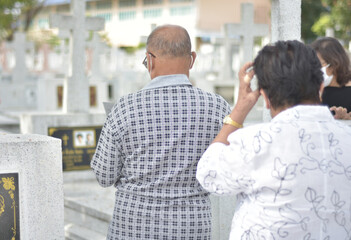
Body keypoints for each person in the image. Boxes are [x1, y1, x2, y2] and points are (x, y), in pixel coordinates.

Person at [196, 40, 351, 239]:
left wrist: (239, 111)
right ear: (321, 87)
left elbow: (207, 174)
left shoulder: (254, 143)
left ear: (265, 98)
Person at [91, 24, 231, 240]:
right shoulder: (217, 107)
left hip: (133, 226)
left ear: (150, 59)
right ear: (192, 59)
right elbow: (225, 170)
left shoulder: (125, 107)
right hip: (191, 227)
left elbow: (104, 175)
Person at [311, 37, 351, 120]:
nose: (315, 69)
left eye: (320, 65)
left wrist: (347, 118)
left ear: (335, 63)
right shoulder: (311, 91)